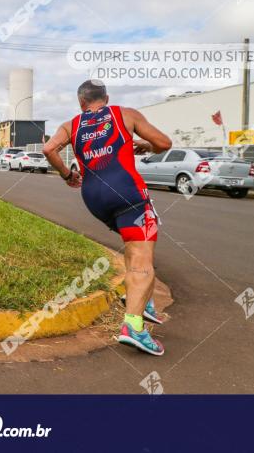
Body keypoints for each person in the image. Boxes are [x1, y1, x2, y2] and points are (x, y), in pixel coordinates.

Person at [43, 79, 172, 355]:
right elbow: (164, 142)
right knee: (142, 256)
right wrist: (147, 147)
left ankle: (142, 301)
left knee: (134, 245)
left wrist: (67, 175)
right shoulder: (124, 113)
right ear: (107, 97)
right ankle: (133, 327)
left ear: (81, 102)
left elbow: (48, 149)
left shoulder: (71, 125)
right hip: (127, 192)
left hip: (93, 199)